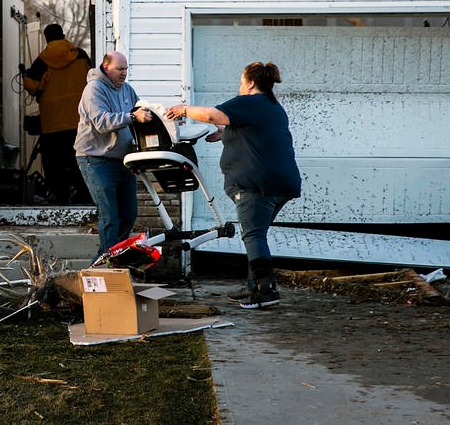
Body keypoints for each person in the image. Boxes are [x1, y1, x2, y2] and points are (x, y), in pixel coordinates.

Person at [165, 61, 300, 310]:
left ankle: (266, 291)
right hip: (282, 183)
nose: (240, 86)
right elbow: (253, 132)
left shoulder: (248, 102)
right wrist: (225, 133)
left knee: (253, 234)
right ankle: (253, 285)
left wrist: (183, 109)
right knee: (257, 234)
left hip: (255, 184)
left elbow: (209, 115)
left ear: (250, 82)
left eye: (241, 81)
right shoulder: (273, 107)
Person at [74, 51, 154, 256]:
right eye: (120, 69)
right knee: (110, 215)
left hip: (124, 160)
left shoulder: (127, 90)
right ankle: (107, 265)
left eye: (126, 69)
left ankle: (109, 260)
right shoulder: (94, 89)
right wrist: (132, 116)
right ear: (106, 67)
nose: (124, 73)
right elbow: (102, 122)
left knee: (128, 214)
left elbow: (139, 115)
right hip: (95, 159)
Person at [23, 24, 92, 204]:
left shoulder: (43, 60)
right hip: (79, 119)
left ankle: (59, 195)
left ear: (47, 38)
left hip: (52, 121)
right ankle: (82, 195)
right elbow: (93, 79)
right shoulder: (81, 55)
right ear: (63, 35)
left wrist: (25, 75)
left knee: (54, 162)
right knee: (79, 158)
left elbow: (32, 85)